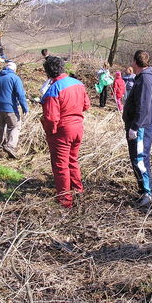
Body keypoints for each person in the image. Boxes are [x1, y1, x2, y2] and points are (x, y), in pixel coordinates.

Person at [41, 56, 90, 208]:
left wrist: (50, 133)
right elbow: (86, 105)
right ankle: (77, 191)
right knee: (72, 160)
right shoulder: (79, 84)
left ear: (48, 73)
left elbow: (50, 118)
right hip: (78, 127)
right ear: (62, 68)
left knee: (61, 165)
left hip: (62, 131)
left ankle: (65, 201)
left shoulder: (53, 90)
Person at [122, 50, 152, 208]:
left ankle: (147, 193)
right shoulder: (143, 77)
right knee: (136, 158)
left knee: (140, 159)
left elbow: (143, 107)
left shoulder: (145, 79)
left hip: (141, 128)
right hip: (139, 126)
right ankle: (143, 189)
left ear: (135, 62)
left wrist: (135, 127)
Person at [0, 62, 28, 159]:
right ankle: (10, 146)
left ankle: (1, 148)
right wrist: (25, 107)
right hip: (11, 108)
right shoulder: (15, 78)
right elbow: (20, 94)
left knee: (1, 127)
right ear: (14, 69)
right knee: (15, 126)